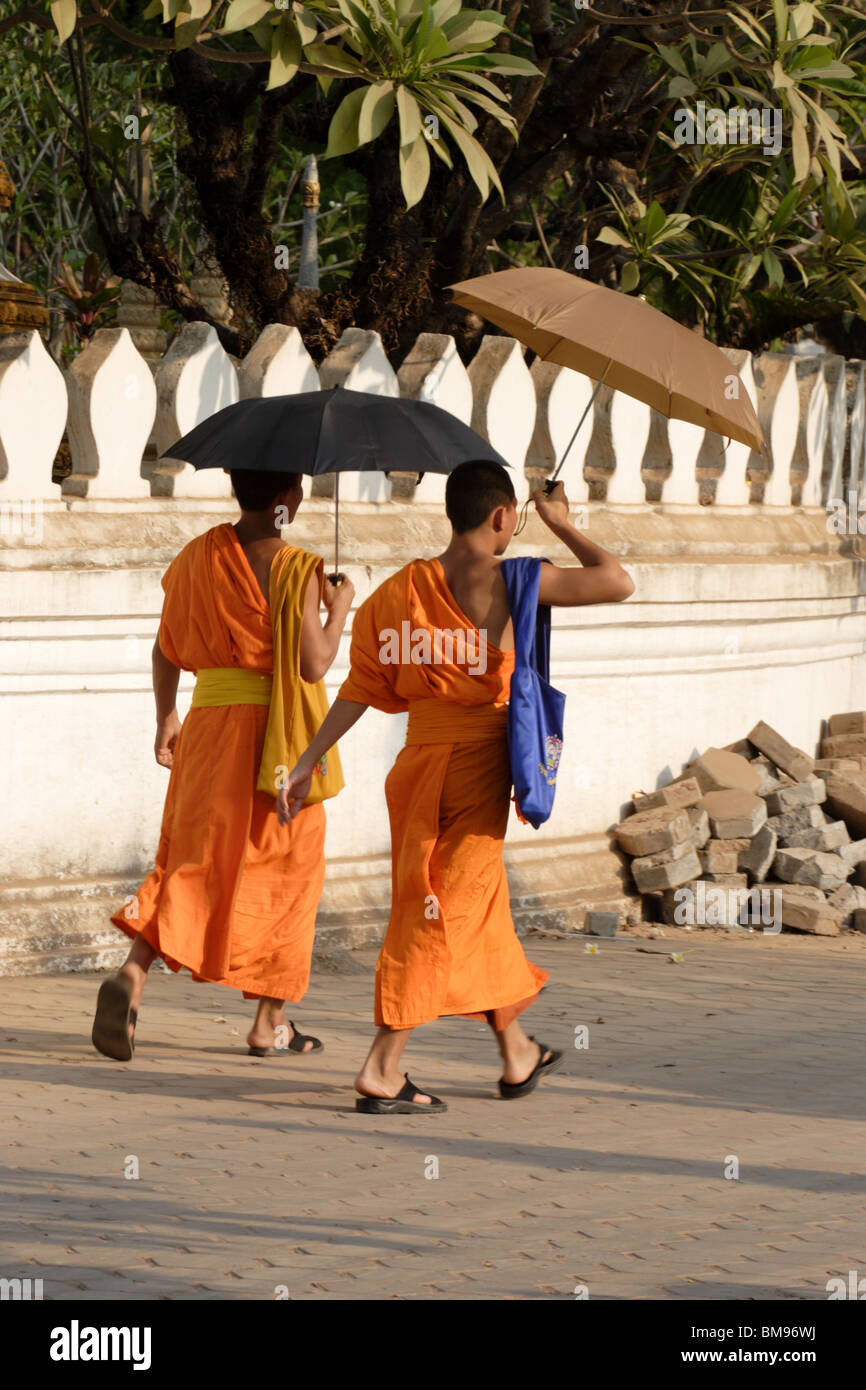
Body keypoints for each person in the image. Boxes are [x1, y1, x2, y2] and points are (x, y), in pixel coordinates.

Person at [276, 461, 634, 1112]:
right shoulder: (514, 580)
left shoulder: (397, 590)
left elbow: (359, 688)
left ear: (451, 512)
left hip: (415, 769)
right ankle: (383, 1067)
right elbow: (618, 581)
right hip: (474, 770)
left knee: (471, 905)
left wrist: (308, 759)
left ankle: (516, 1052)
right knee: (444, 909)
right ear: (502, 518)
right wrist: (561, 523)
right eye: (515, 521)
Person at [92, 469, 354, 1063]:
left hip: (208, 729)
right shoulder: (299, 568)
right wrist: (340, 608)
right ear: (289, 499)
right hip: (278, 740)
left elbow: (165, 644)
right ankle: (270, 1023)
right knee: (287, 871)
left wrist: (166, 715)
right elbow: (314, 665)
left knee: (190, 862)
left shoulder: (197, 557)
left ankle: (134, 973)